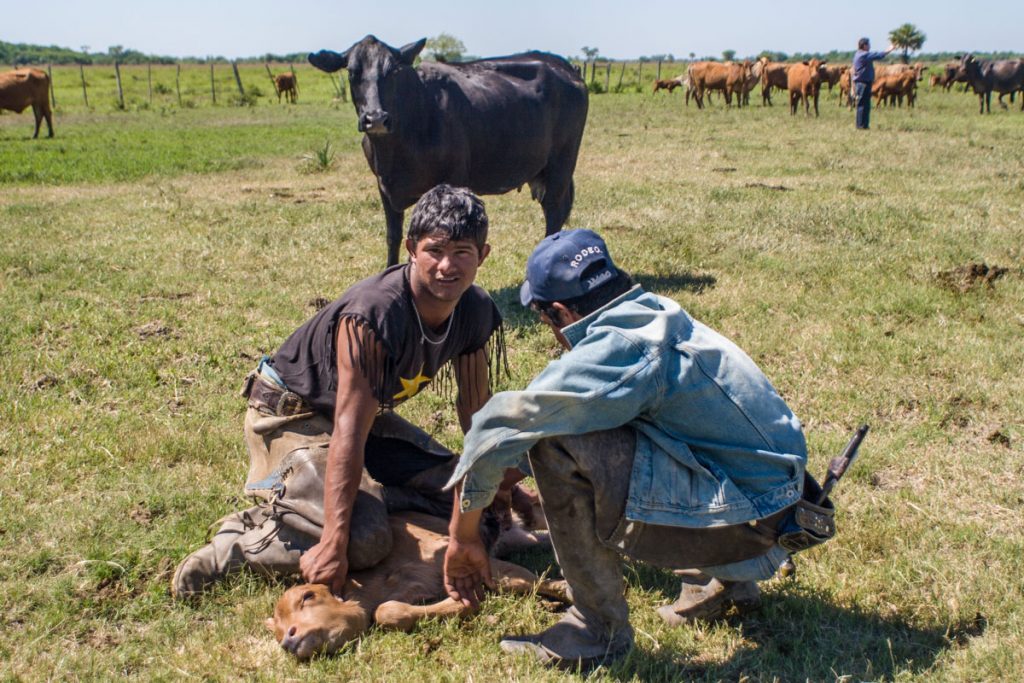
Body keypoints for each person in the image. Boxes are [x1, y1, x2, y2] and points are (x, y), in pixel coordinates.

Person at [442, 229, 811, 669]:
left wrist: (463, 537)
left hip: (754, 530)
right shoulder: (654, 314)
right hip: (782, 507)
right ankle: (722, 582)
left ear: (558, 312)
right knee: (604, 418)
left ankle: (596, 631)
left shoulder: (624, 348)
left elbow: (497, 423)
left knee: (552, 441)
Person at [173, 184, 530, 598]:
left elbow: (476, 414)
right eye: (435, 250)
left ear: (483, 255)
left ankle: (361, 497)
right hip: (292, 412)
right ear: (412, 248)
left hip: (362, 419)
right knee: (363, 539)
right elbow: (348, 429)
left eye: (462, 252)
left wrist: (499, 484)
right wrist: (334, 542)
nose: (446, 266)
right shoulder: (374, 315)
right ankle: (243, 542)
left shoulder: (475, 310)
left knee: (468, 501)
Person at [852, 37, 897, 130]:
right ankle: (861, 126)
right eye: (868, 44)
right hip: (862, 83)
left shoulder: (858, 54)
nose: (870, 46)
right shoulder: (863, 55)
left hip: (863, 83)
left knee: (865, 105)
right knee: (862, 105)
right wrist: (890, 49)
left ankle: (863, 125)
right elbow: (879, 55)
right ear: (864, 46)